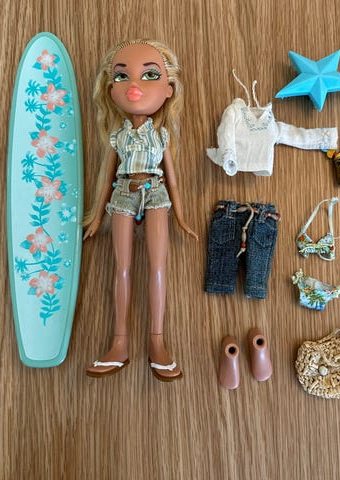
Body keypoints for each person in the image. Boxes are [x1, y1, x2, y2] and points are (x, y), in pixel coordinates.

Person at [83, 39, 197, 381]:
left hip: (156, 192)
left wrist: (181, 217)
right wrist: (96, 216)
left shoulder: (161, 136)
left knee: (158, 267)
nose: (134, 85)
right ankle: (119, 344)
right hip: (123, 192)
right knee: (122, 268)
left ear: (168, 89)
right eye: (122, 76)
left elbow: (173, 180)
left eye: (149, 75)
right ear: (111, 89)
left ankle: (156, 342)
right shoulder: (116, 137)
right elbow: (105, 179)